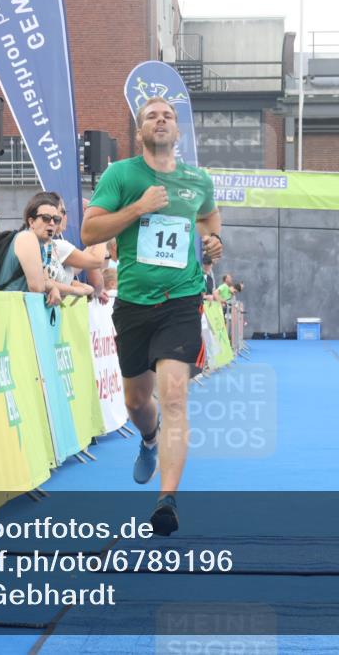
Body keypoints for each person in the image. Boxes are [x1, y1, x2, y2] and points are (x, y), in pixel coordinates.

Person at [80, 95, 224, 535]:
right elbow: (89, 230)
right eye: (151, 117)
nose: (160, 121)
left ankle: (167, 500)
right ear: (140, 131)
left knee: (174, 397)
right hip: (134, 302)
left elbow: (209, 219)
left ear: (177, 131)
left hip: (181, 300)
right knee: (137, 401)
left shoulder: (197, 180)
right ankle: (148, 438)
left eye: (168, 117)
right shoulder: (121, 175)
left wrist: (213, 242)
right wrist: (139, 208)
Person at [0, 192, 92, 301]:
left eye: (56, 219)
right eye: (46, 218)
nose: (52, 223)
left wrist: (54, 288)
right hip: (9, 306)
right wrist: (75, 290)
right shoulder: (28, 238)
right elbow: (37, 287)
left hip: (17, 306)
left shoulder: (46, 245)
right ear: (31, 222)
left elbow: (46, 281)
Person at [43, 192, 107, 296]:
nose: (65, 216)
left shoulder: (51, 246)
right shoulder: (57, 246)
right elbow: (95, 260)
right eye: (63, 212)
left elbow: (56, 278)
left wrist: (78, 286)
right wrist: (100, 227)